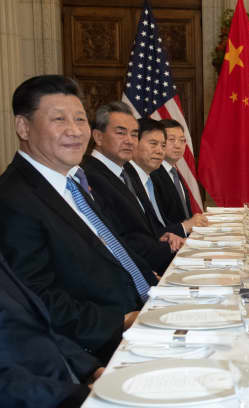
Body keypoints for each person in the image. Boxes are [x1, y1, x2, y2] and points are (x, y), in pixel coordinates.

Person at [0, 75, 156, 362]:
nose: (75, 131)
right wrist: (123, 321)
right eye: (59, 120)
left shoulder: (71, 182)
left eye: (81, 120)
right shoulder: (13, 199)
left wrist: (155, 285)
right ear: (23, 127)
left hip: (144, 309)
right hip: (103, 343)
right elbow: (38, 299)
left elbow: (113, 250)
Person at [81, 102, 184, 275]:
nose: (129, 140)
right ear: (98, 137)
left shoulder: (126, 171)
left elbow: (140, 228)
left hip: (152, 259)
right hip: (136, 272)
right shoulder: (89, 176)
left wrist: (163, 237)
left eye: (134, 134)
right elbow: (116, 241)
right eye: (121, 133)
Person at [0, 251, 103, 408]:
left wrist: (92, 369)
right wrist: (76, 396)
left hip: (63, 384)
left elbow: (39, 325)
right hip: (44, 398)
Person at [124, 118, 206, 237]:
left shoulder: (162, 173)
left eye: (162, 145)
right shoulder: (130, 178)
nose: (159, 150)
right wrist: (184, 227)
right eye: (153, 144)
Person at [150, 119, 197, 224]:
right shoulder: (152, 174)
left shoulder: (174, 172)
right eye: (171, 139)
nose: (178, 145)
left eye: (182, 140)